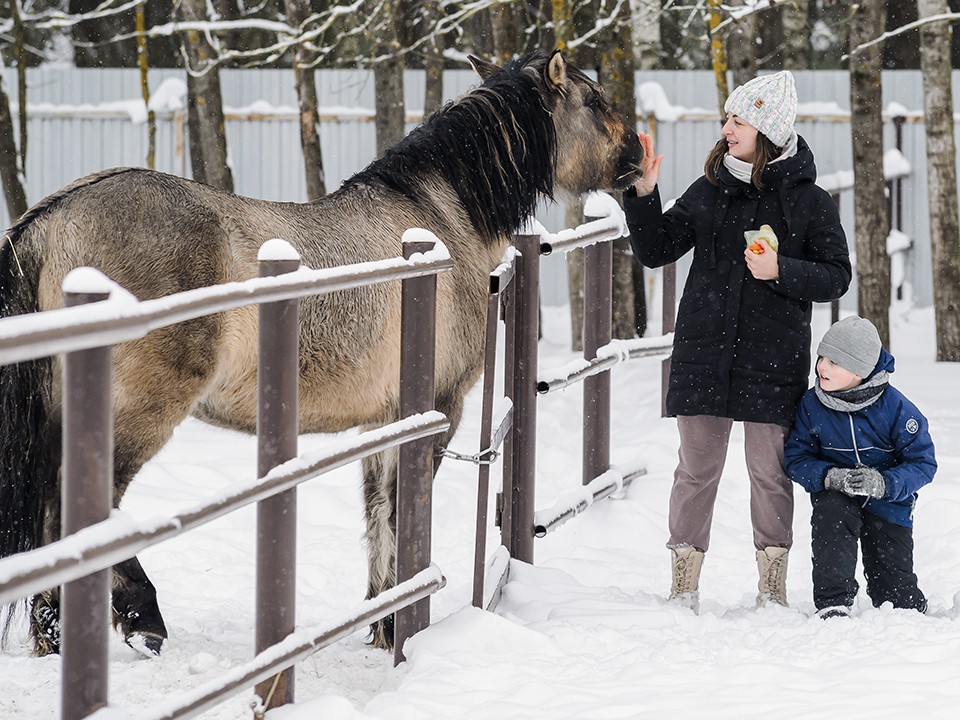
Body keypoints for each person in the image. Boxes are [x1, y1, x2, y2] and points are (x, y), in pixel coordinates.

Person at [624, 70, 851, 610]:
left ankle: (771, 587)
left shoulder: (810, 202)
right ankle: (683, 582)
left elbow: (837, 275)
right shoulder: (709, 190)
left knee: (769, 473)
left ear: (767, 128)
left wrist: (782, 271)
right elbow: (656, 249)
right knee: (696, 470)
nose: (726, 128)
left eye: (738, 120)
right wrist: (644, 194)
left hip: (773, 359)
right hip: (705, 353)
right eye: (727, 118)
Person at [784, 316, 936, 619]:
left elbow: (923, 463)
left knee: (896, 600)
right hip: (838, 497)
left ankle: (903, 599)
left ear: (861, 371)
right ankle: (833, 602)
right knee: (831, 515)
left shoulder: (896, 409)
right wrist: (829, 477)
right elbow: (796, 457)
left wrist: (884, 483)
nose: (822, 367)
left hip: (888, 502)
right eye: (822, 357)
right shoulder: (812, 405)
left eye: (835, 362)